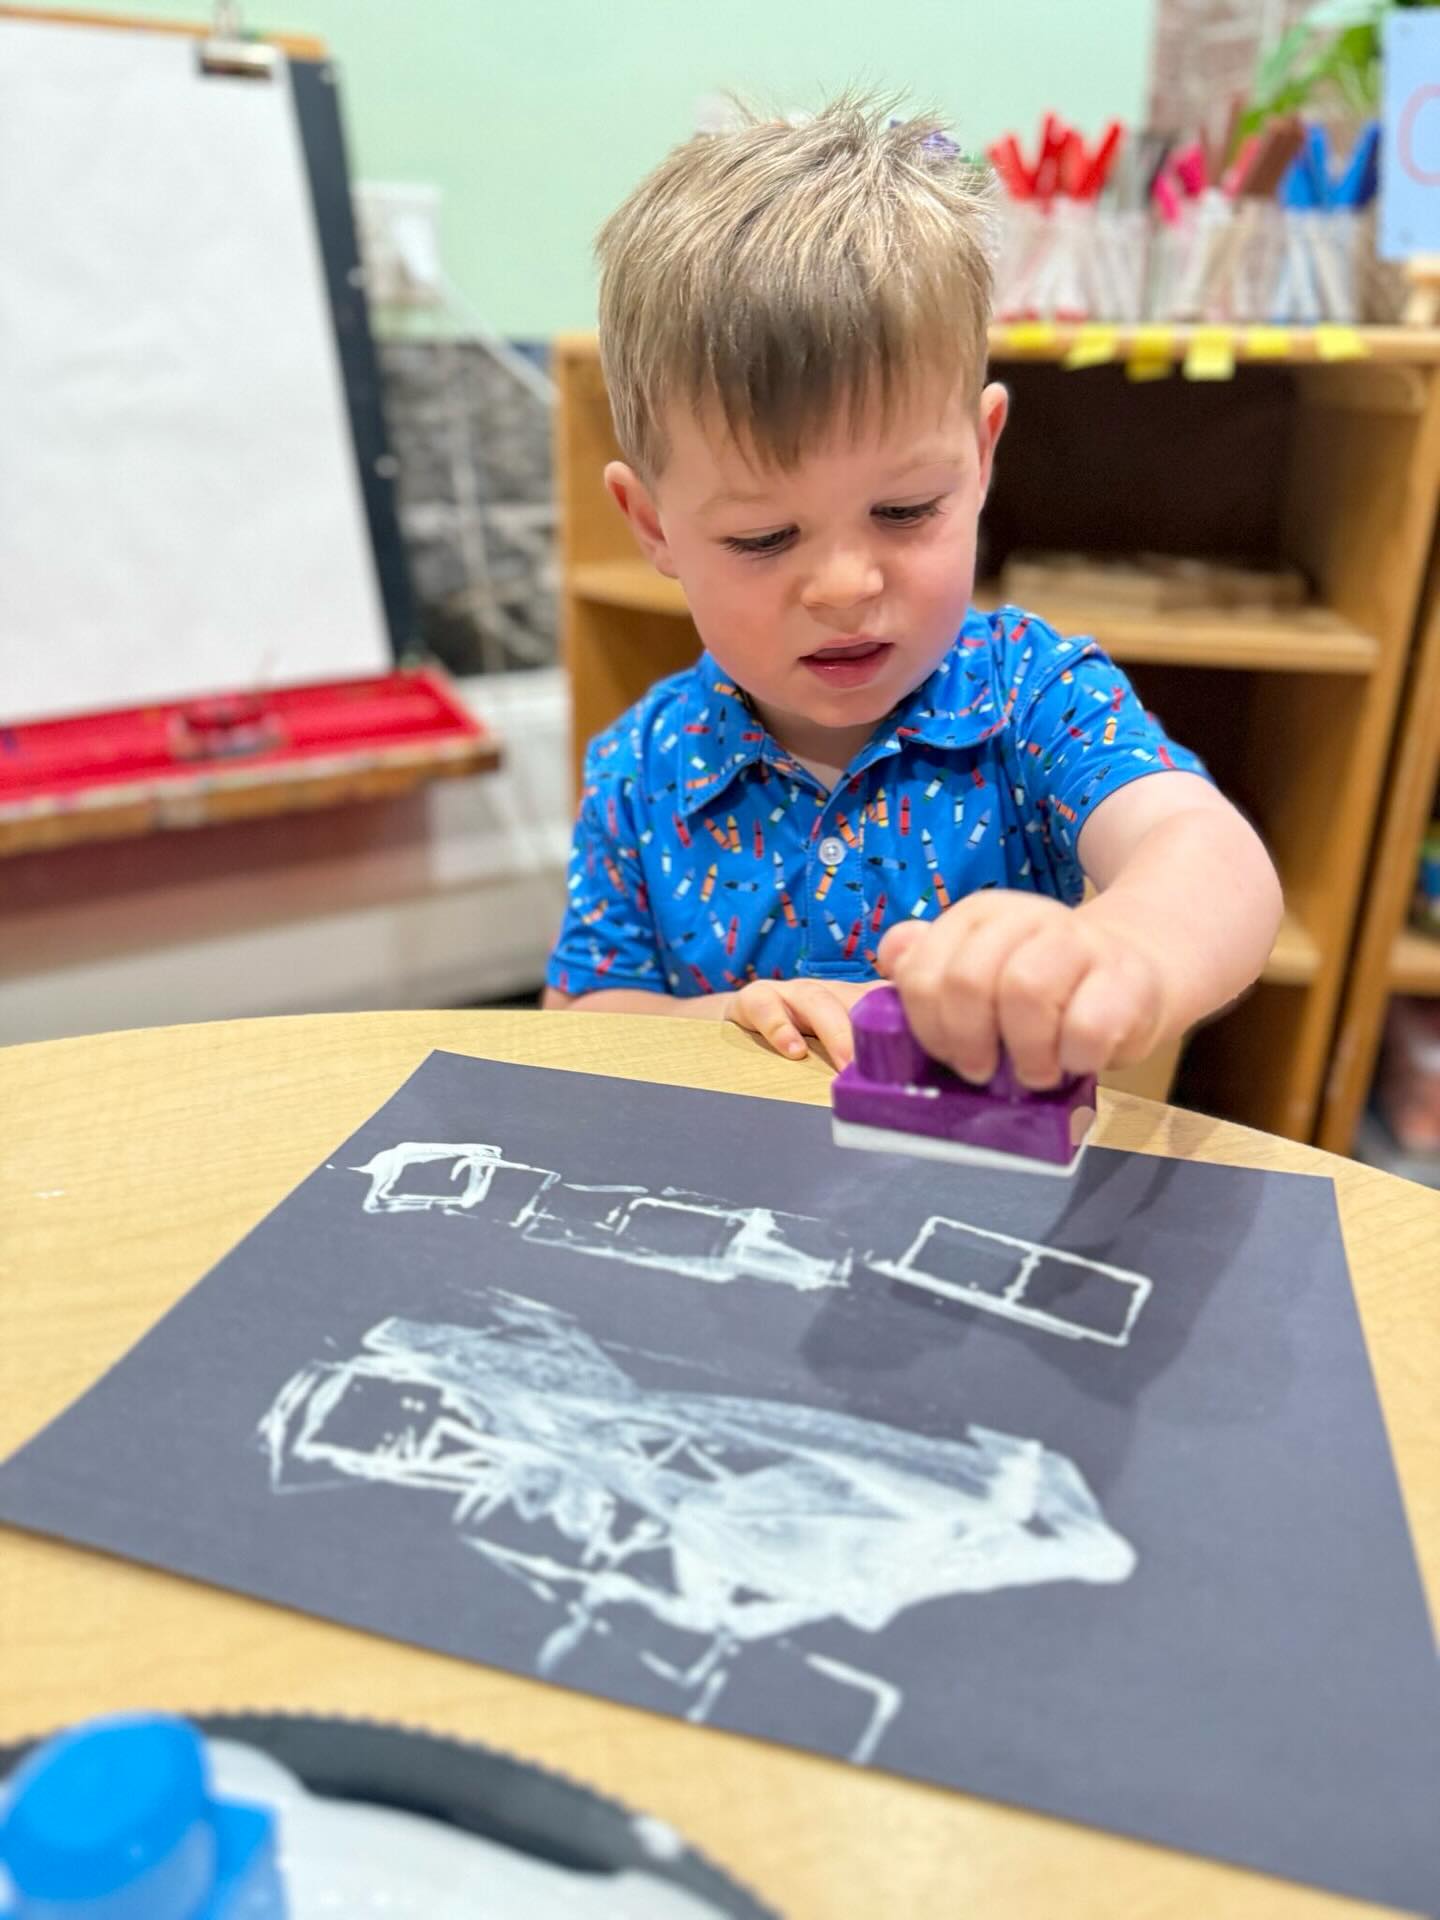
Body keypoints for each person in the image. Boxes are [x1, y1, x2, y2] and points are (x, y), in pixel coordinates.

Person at [544, 98, 1282, 1090]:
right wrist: (724, 1020)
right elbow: (578, 1016)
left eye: (904, 510)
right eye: (763, 536)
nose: (848, 587)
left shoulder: (1032, 696)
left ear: (979, 459)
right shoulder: (638, 771)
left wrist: (1127, 951)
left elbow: (1207, 853)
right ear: (652, 527)